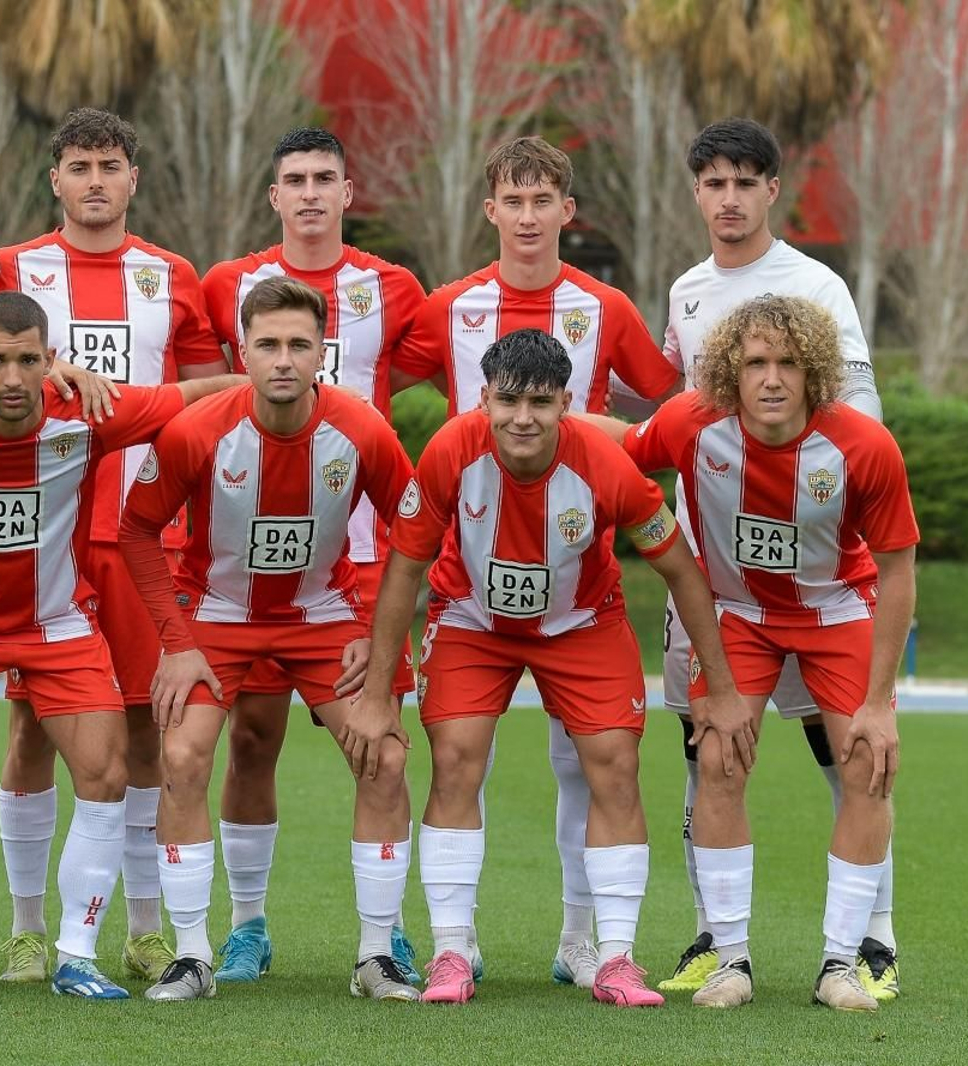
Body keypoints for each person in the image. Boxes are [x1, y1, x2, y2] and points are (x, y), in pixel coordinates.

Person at [0, 291, 239, 1000]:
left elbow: (193, 394)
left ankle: (76, 955)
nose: (11, 378)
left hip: (59, 623)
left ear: (49, 361)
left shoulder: (87, 415)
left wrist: (285, 385)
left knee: (106, 774)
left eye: (28, 360)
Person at [350, 328, 742, 1007]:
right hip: (472, 619)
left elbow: (682, 569)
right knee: (457, 758)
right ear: (483, 400)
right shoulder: (451, 451)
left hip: (581, 623)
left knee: (615, 765)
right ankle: (451, 951)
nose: (522, 418)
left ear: (566, 401)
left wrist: (721, 687)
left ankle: (616, 957)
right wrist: (383, 692)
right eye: (508, 401)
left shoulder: (610, 467)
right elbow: (404, 568)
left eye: (539, 402)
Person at [389, 135, 683, 987]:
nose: (526, 216)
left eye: (541, 200)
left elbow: (661, 401)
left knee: (585, 759)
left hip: (574, 561)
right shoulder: (450, 306)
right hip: (474, 552)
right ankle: (458, 940)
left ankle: (581, 938)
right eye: (511, 201)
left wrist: (620, 461)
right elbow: (377, 379)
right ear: (490, 212)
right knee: (459, 754)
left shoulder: (605, 306)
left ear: (567, 211)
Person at [600, 295, 916, 1011]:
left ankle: (841, 963)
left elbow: (898, 571)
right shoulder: (691, 424)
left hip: (836, 610)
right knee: (717, 756)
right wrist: (533, 417)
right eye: (755, 364)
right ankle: (730, 959)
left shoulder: (863, 446)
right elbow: (617, 441)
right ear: (729, 375)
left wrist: (879, 701)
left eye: (788, 364)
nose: (772, 379)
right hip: (737, 615)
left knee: (867, 765)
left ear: (815, 375)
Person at [650, 118, 898, 1000]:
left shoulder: (815, 284)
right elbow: (666, 419)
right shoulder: (685, 289)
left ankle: (870, 942)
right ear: (697, 193)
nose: (727, 199)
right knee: (707, 745)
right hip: (719, 579)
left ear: (770, 191)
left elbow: (858, 417)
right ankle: (721, 943)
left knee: (847, 753)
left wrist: (811, 505)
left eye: (743, 183)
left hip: (821, 568)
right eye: (712, 183)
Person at [119, 276, 419, 1003]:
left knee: (382, 754)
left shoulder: (364, 430)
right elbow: (137, 529)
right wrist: (175, 639)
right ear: (241, 353)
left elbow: (418, 530)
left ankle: (377, 955)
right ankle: (192, 956)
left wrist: (379, 638)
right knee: (185, 754)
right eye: (267, 345)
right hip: (216, 615)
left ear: (323, 353)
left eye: (298, 345)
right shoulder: (197, 430)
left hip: (322, 613)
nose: (283, 359)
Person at [0, 107, 228, 984]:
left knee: (140, 726)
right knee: (29, 727)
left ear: (134, 179)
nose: (96, 180)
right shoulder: (11, 268)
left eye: (111, 165)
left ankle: (141, 927)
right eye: (80, 165)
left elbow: (204, 399)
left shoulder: (175, 278)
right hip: (41, 534)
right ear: (56, 179)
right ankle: (24, 929)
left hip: (139, 535)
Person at [198, 125, 428, 983]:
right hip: (247, 560)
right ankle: (248, 926)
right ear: (274, 195)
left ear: (347, 190)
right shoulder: (228, 284)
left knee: (376, 743)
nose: (307, 193)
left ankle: (385, 934)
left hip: (360, 558)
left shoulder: (394, 288)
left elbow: (456, 373)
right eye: (292, 178)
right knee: (251, 741)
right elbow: (200, 402)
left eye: (323, 178)